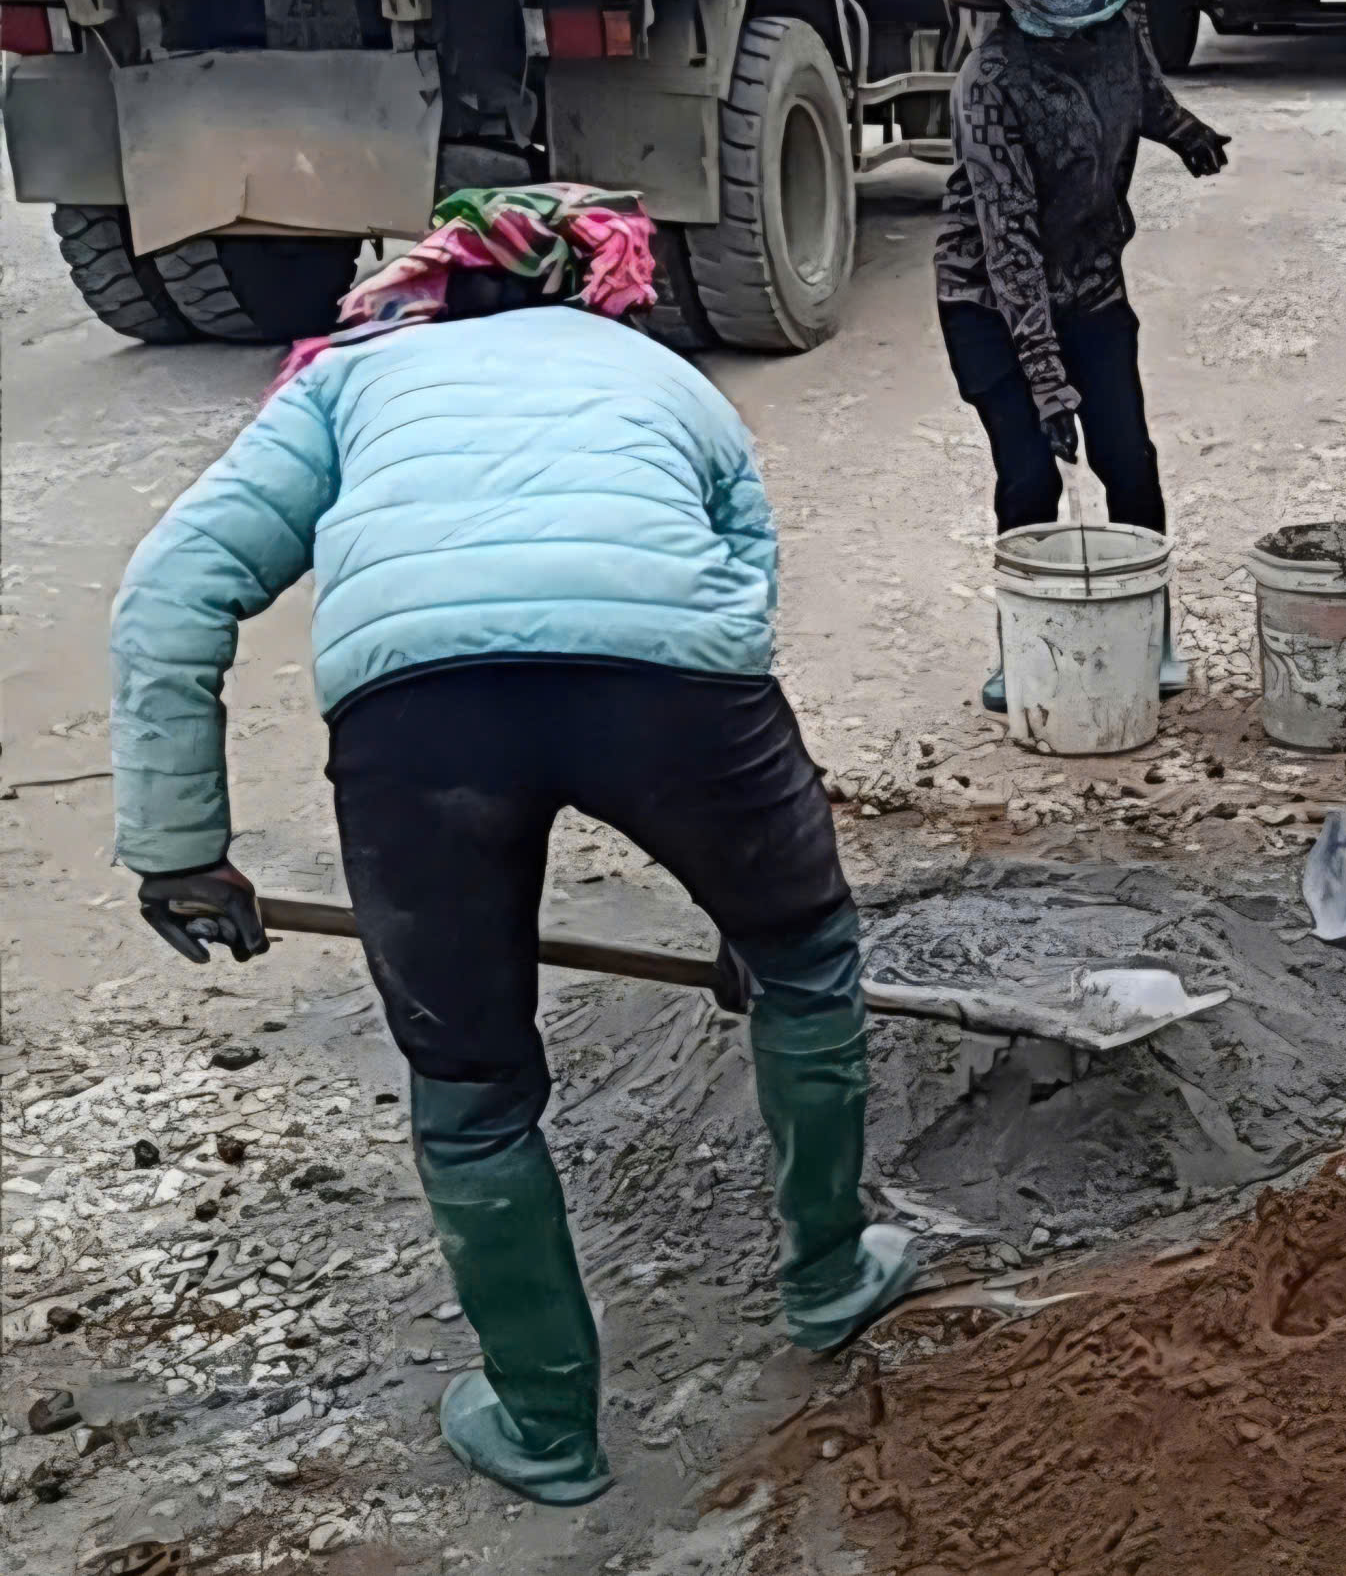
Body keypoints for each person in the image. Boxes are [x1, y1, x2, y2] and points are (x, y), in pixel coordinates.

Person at [107, 186, 913, 1507]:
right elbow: (740, 597)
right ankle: (829, 1273)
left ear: (443, 285)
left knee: (473, 1082)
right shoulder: (664, 378)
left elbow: (170, 593)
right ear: (598, 290)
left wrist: (180, 844)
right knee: (813, 959)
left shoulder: (350, 382)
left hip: (420, 724)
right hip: (676, 696)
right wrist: (752, 909)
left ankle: (547, 1420)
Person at [935, 0, 1231, 712]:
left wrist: (1188, 135)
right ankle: (1022, 647)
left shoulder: (1120, 30)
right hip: (989, 300)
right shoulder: (989, 83)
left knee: (1129, 460)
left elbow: (1144, 97)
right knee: (1029, 474)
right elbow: (1008, 240)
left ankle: (1150, 631)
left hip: (1094, 285)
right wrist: (1044, 376)